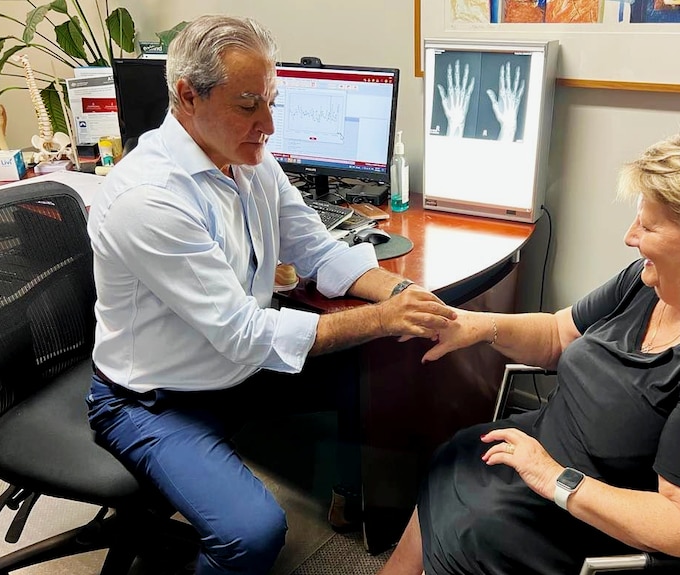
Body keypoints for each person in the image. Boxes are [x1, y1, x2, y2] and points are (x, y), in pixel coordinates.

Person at [85, 14, 456, 575]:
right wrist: (384, 318)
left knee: (372, 366)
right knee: (253, 534)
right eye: (248, 104)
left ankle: (355, 500)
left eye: (271, 102)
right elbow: (245, 333)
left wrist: (406, 295)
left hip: (231, 370)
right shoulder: (148, 198)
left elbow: (316, 247)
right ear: (187, 96)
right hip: (153, 398)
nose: (268, 124)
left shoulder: (247, 162)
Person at [379, 125, 680, 575]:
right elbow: (558, 333)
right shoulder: (657, 279)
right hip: (554, 458)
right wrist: (478, 325)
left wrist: (555, 478)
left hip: (619, 528)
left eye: (648, 226)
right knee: (458, 455)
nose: (631, 236)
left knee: (479, 531)